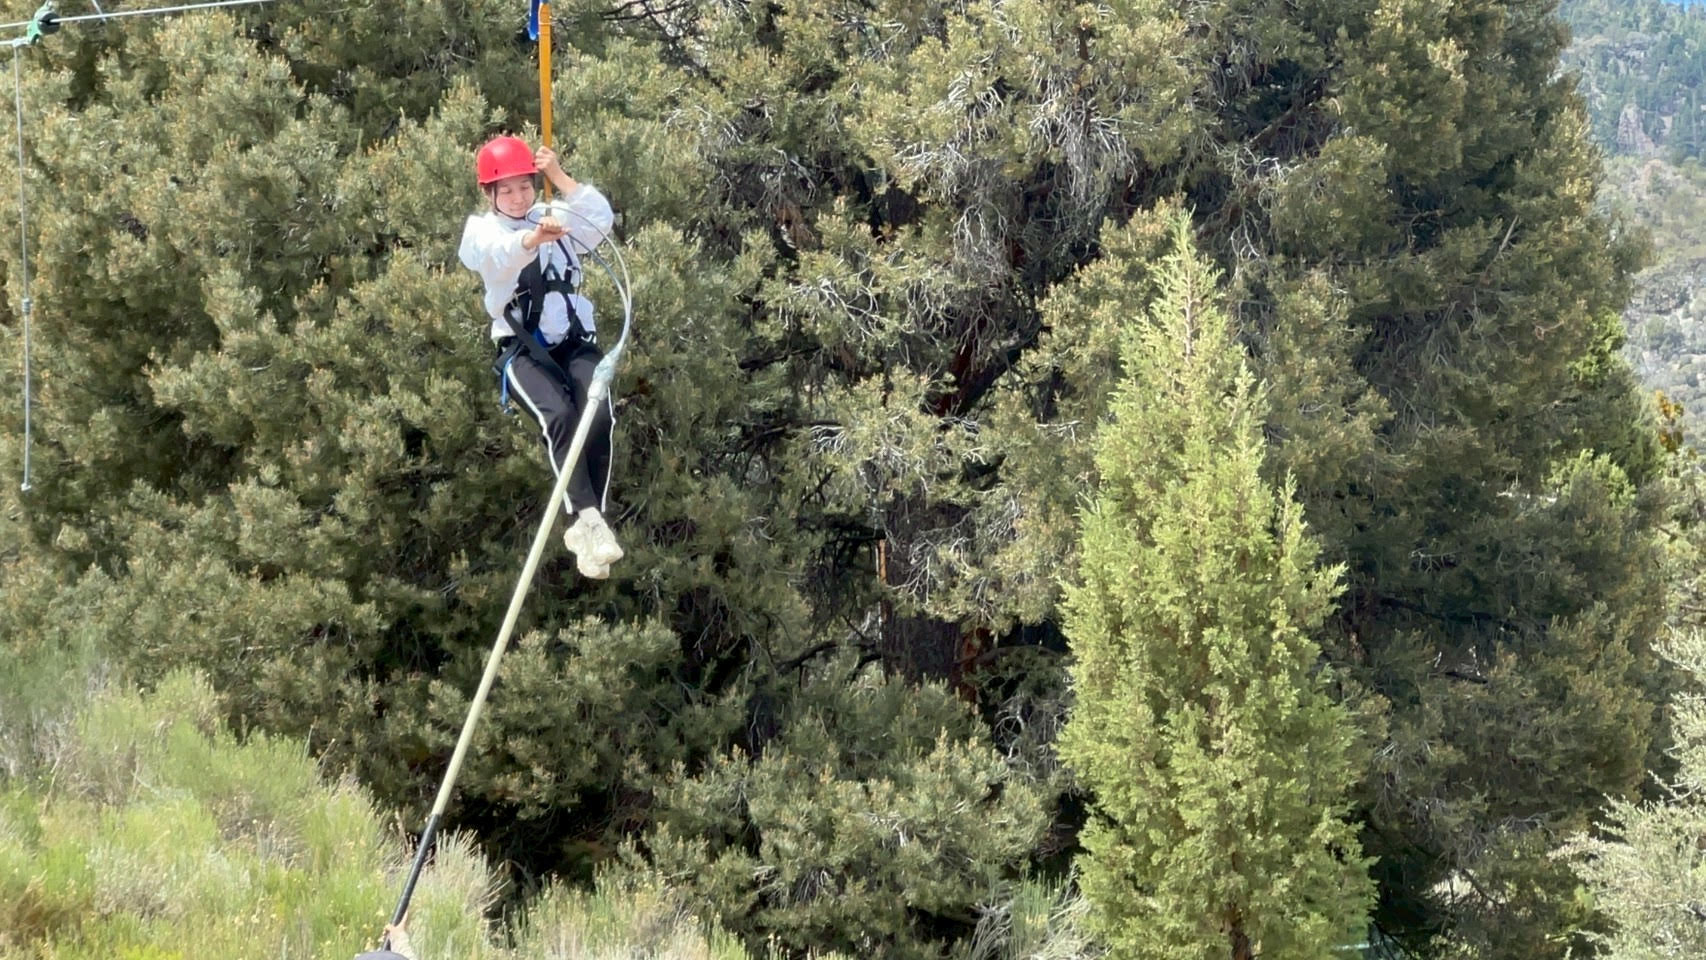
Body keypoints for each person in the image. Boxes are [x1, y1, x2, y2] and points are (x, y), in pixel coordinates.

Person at [458, 135, 623, 578]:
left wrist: (559, 177)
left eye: (525, 186)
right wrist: (532, 239)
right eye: (506, 190)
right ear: (490, 194)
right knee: (560, 416)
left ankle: (594, 524)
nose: (518, 197)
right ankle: (583, 517)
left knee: (598, 414)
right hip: (523, 350)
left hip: (572, 341)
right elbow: (495, 259)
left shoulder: (556, 217)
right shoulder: (482, 231)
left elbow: (600, 221)